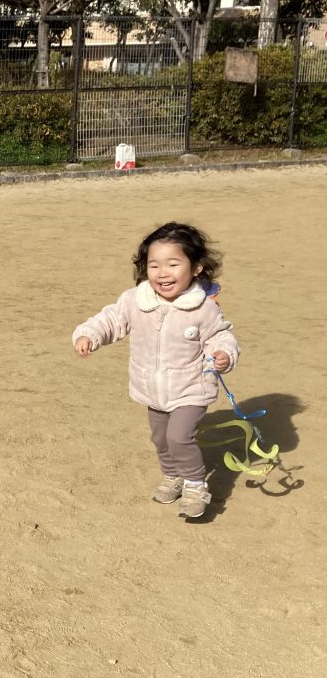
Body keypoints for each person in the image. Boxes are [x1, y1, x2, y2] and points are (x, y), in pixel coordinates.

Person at [72, 221, 239, 519]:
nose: (163, 273)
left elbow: (220, 335)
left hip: (191, 387)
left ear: (196, 267)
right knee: (161, 439)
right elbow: (111, 319)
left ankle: (195, 485)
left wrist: (223, 353)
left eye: (173, 264)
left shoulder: (203, 308)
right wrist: (89, 334)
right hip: (152, 388)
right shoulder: (137, 300)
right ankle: (173, 475)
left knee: (179, 437)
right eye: (154, 265)